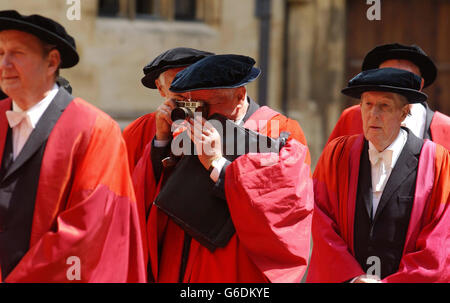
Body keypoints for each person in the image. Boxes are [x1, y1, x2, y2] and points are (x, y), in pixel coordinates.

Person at [132, 54, 314, 282]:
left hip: (235, 262)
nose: (202, 114)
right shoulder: (193, 125)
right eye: (194, 103)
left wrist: (217, 163)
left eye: (208, 104)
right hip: (179, 256)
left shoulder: (277, 129)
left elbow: (285, 202)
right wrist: (162, 141)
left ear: (240, 96)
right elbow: (152, 193)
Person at [0, 10, 146, 282]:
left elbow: (85, 232)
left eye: (17, 53)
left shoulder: (95, 130)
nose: (5, 64)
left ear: (52, 61)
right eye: (0, 53)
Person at [307, 67, 450, 283]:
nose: (373, 115)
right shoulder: (337, 155)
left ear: (403, 113)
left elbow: (439, 240)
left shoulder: (436, 162)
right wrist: (352, 277)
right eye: (368, 104)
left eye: (384, 106)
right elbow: (320, 220)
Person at [327, 43, 450, 150]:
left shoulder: (445, 128)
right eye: (386, 78)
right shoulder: (351, 118)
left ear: (420, 84)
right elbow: (329, 170)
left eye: (403, 79)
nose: (393, 85)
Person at [123, 47, 214, 171]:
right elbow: (132, 183)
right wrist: (161, 140)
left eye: (195, 83)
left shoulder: (225, 122)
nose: (188, 94)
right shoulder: (138, 130)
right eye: (178, 85)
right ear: (160, 88)